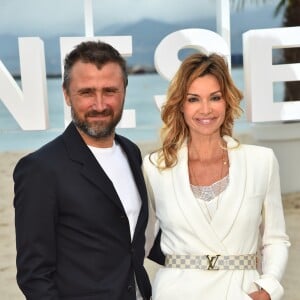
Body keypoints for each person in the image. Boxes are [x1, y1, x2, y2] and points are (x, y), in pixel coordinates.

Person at [143, 52, 290, 300]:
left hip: (241, 292)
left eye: (215, 97)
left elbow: (275, 239)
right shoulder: (154, 167)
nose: (205, 109)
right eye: (193, 99)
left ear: (227, 101)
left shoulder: (261, 161)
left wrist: (268, 289)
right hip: (175, 293)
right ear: (180, 105)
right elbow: (141, 244)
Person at [13, 40, 152, 300]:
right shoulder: (41, 169)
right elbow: (34, 275)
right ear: (66, 94)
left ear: (124, 91)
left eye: (109, 91)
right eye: (86, 92)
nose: (99, 105)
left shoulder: (131, 152)